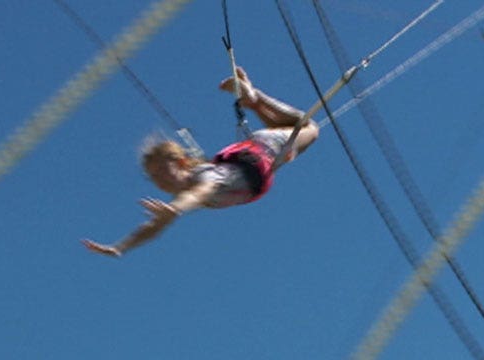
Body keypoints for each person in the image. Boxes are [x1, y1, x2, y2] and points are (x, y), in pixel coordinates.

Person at [83, 67, 319, 257]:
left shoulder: (202, 180)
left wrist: (175, 210)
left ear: (182, 163)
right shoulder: (187, 192)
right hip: (258, 160)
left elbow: (200, 193)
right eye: (153, 177)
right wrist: (120, 247)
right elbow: (155, 226)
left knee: (310, 127)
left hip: (262, 151)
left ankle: (256, 98)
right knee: (294, 130)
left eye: (161, 170)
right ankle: (254, 101)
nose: (159, 180)